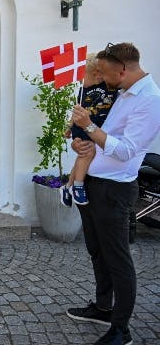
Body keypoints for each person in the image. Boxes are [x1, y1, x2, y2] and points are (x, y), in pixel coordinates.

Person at [68, 42, 160, 345]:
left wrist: (89, 127)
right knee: (97, 251)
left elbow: (127, 151)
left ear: (123, 70)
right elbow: (106, 137)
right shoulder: (121, 92)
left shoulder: (149, 100)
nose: (104, 80)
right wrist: (82, 142)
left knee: (118, 259)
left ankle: (121, 329)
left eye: (107, 74)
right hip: (94, 180)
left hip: (115, 189)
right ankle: (103, 307)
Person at [60, 54, 119, 207]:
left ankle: (67, 187)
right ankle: (78, 186)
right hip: (82, 128)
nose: (79, 81)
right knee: (87, 153)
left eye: (81, 77)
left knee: (82, 158)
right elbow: (76, 112)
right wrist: (68, 128)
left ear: (97, 75)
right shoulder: (81, 93)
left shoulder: (108, 86)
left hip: (97, 128)